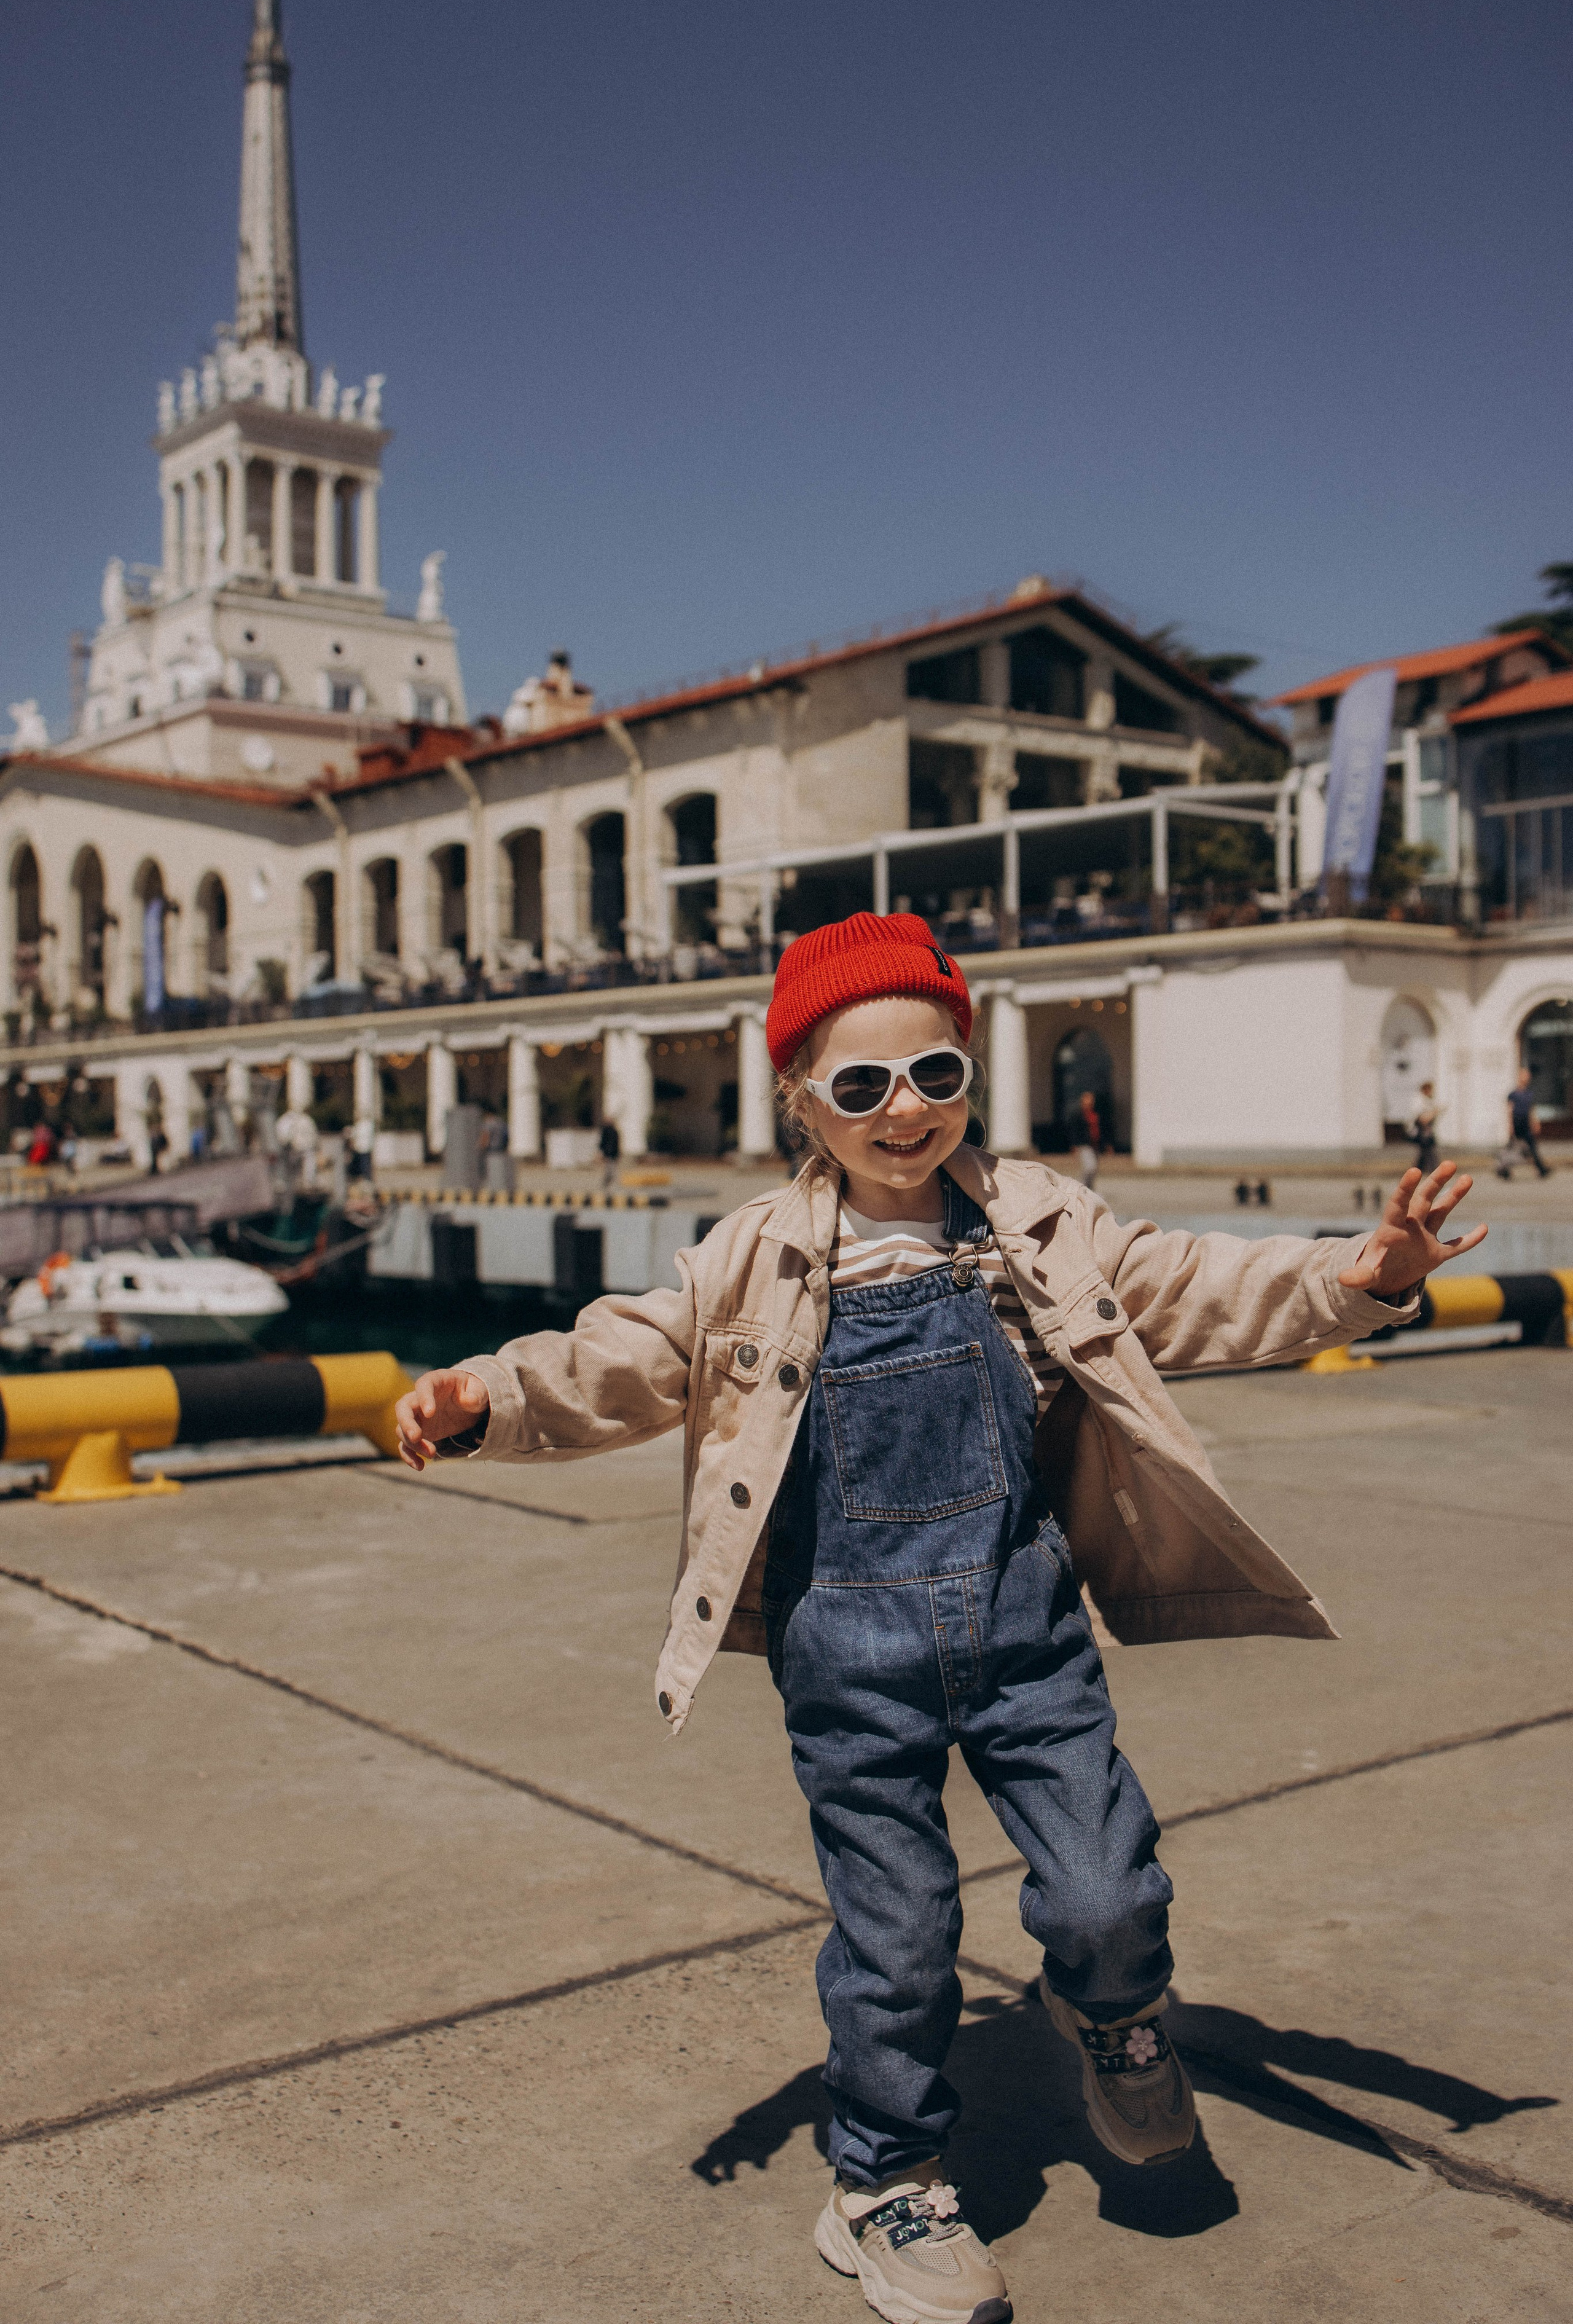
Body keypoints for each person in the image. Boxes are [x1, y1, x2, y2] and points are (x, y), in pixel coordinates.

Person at [395, 912, 1486, 2324]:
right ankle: (882, 2181)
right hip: (846, 1655)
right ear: (798, 1097)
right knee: (896, 1939)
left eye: (934, 1072)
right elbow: (626, 1358)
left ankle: (1110, 2015)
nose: (901, 1109)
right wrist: (486, 1396)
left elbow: (1195, 1285)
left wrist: (1361, 1274)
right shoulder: (753, 1256)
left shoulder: (1037, 1223)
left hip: (1026, 1630)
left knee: (1107, 1895)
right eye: (860, 1085)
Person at [1501, 1067, 1551, 1180]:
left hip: (1526, 1125)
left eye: (1528, 1077)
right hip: (1517, 1124)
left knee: (1532, 1147)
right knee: (1513, 1148)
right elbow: (1510, 1110)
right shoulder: (1513, 1094)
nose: (1526, 1079)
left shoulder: (1529, 1094)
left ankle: (1541, 1169)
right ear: (1519, 1077)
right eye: (1524, 1076)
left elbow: (1531, 1110)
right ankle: (1503, 1169)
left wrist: (1535, 1122)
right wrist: (1510, 1126)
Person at [1066, 1087, 1101, 1186]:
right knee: (1090, 1167)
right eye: (1087, 1099)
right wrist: (1074, 1145)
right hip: (1084, 1145)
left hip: (1095, 1145)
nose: (1090, 1102)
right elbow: (1074, 1131)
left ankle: (1090, 1188)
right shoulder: (1078, 1115)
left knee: (1094, 1169)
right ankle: (1082, 1186)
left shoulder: (1095, 1114)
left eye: (1091, 1100)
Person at [1410, 1079, 1442, 1177]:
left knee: (1425, 1151)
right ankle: (1432, 1169)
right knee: (1428, 1151)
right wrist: (1433, 1114)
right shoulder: (1419, 1101)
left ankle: (1419, 1170)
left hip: (1428, 1129)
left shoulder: (1429, 1100)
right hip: (1422, 1130)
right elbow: (1421, 1118)